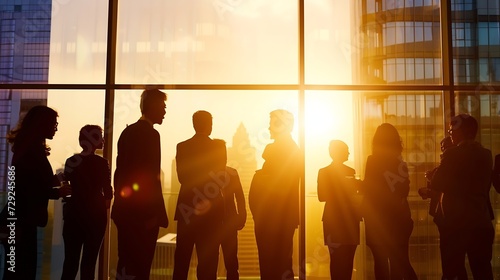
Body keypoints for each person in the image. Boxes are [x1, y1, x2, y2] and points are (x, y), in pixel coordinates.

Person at [1, 105, 71, 280]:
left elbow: (32, 183)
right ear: (43, 124)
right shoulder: (33, 152)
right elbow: (33, 189)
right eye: (53, 123)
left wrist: (55, 182)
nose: (56, 127)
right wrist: (58, 192)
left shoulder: (26, 149)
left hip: (15, 220)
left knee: (15, 271)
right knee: (22, 271)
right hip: (20, 222)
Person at [111, 89, 169, 280]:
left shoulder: (127, 132)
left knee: (126, 262)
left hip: (125, 210)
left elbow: (121, 172)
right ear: (153, 106)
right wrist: (157, 213)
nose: (165, 111)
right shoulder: (152, 135)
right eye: (163, 106)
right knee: (142, 263)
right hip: (144, 214)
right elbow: (152, 177)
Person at [430, 114, 494, 280]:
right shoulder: (486, 154)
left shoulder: (452, 155)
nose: (450, 133)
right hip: (480, 221)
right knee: (482, 271)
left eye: (452, 130)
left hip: (455, 224)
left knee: (452, 271)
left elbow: (437, 183)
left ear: (460, 132)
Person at [248, 109, 302, 280]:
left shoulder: (280, 149)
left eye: (271, 124)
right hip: (280, 216)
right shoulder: (292, 149)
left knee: (271, 263)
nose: (269, 128)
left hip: (272, 217)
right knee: (281, 262)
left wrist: (259, 177)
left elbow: (278, 185)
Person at [173, 110, 224, 280]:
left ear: (194, 124)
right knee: (208, 262)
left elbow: (182, 178)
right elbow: (220, 178)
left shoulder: (182, 146)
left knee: (182, 259)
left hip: (187, 208)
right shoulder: (218, 147)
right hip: (212, 212)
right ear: (210, 125)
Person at [361, 123, 417, 280]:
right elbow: (404, 191)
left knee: (380, 262)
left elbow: (369, 188)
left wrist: (355, 184)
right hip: (399, 219)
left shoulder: (372, 161)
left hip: (377, 219)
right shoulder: (401, 164)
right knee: (400, 262)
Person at [60, 125, 113, 280]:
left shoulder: (71, 161)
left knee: (70, 262)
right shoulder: (102, 163)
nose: (103, 140)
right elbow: (108, 191)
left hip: (73, 215)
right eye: (100, 137)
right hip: (96, 217)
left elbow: (66, 186)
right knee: (89, 264)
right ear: (94, 140)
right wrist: (104, 207)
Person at [317, 140, 361, 280]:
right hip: (344, 220)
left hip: (336, 220)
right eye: (346, 150)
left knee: (340, 260)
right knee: (343, 260)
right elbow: (321, 196)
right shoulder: (348, 172)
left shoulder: (325, 172)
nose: (348, 152)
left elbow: (322, 195)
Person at [213, 139, 246, 280]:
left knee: (228, 263)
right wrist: (241, 216)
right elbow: (240, 197)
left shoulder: (230, 173)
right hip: (219, 224)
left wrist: (241, 216)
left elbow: (240, 196)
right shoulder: (231, 173)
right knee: (226, 263)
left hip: (221, 224)